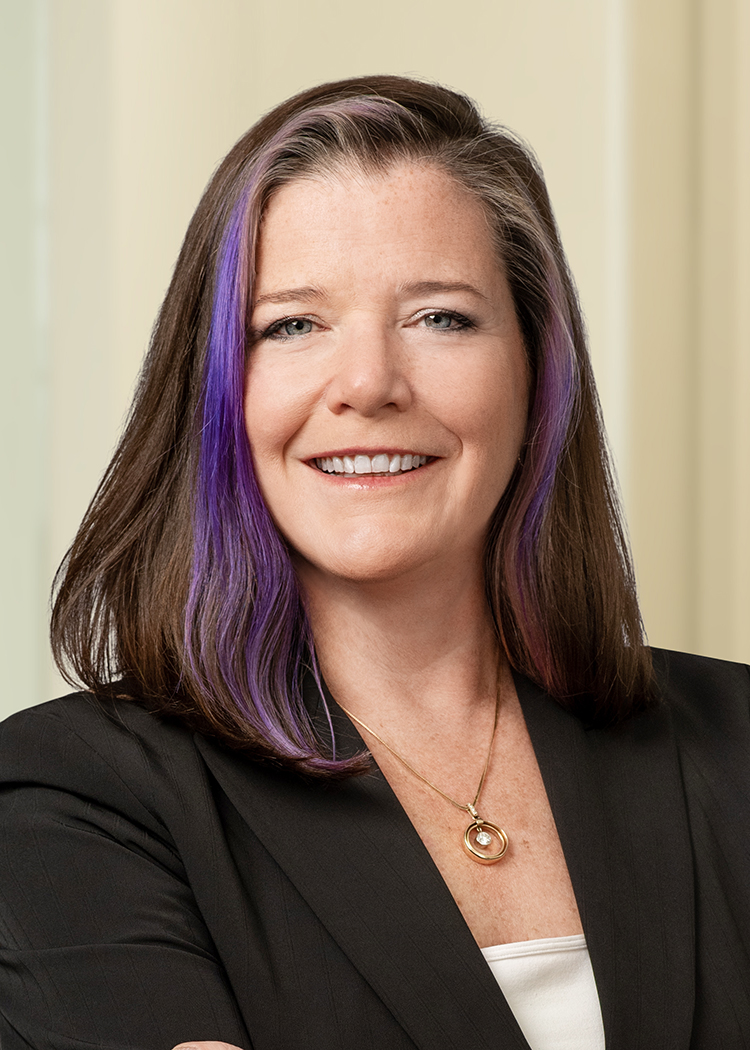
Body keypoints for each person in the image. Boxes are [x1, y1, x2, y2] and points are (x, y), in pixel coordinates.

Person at [1, 75, 749, 1050]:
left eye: (440, 317)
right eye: (293, 325)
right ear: (218, 391)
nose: (367, 384)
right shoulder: (76, 800)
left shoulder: (734, 746)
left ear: (537, 373)